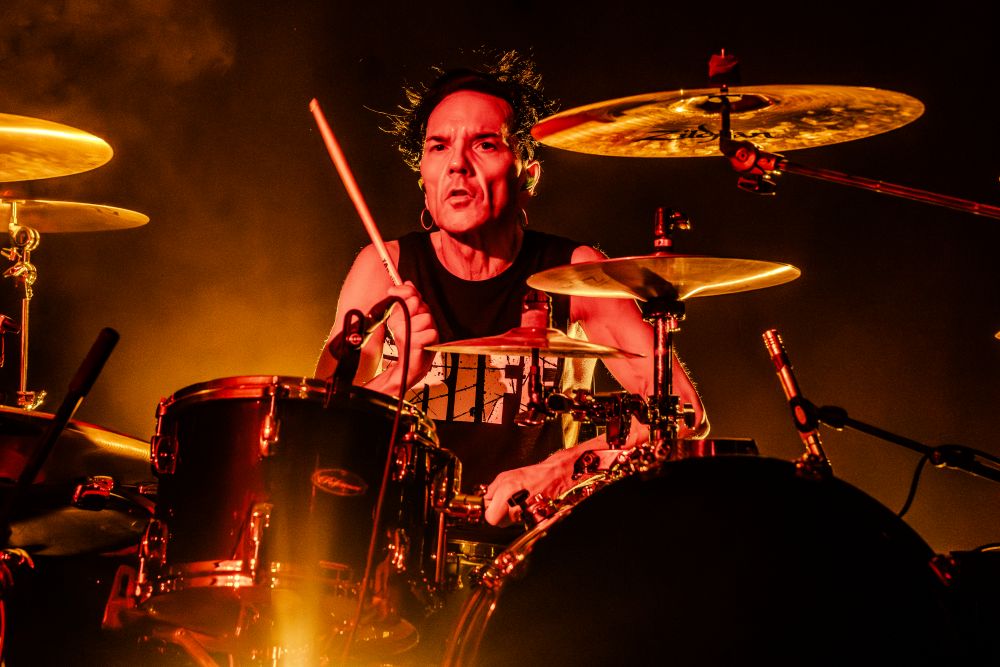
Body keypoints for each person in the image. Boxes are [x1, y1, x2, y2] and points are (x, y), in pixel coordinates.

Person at [315, 50, 707, 528]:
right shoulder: (384, 268)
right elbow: (318, 435)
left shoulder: (574, 272)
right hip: (400, 543)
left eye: (485, 144)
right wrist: (398, 379)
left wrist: (560, 471)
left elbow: (684, 415)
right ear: (423, 178)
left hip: (536, 545)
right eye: (439, 146)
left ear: (528, 175)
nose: (457, 164)